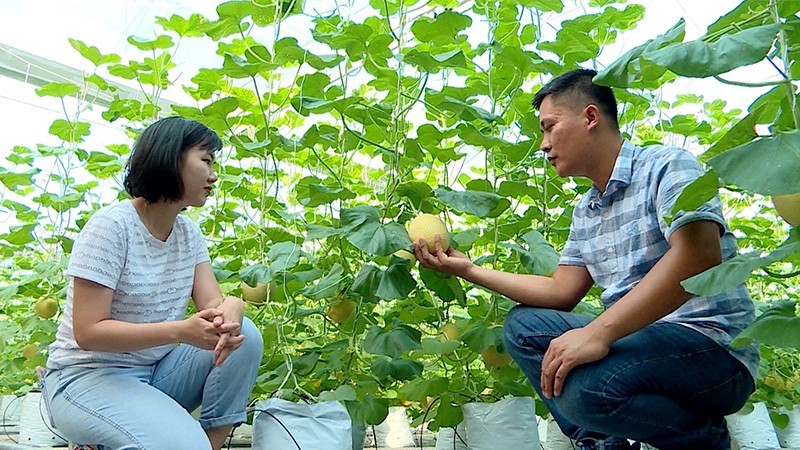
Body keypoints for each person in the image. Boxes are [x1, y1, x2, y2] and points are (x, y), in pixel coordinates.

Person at [413, 69, 758, 450]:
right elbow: (562, 292)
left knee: (585, 392)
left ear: (590, 117)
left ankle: (701, 438)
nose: (544, 144)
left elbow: (699, 255)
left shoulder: (667, 165)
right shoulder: (587, 210)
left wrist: (598, 334)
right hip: (640, 342)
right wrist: (469, 270)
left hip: (712, 348)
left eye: (549, 127)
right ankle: (601, 443)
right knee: (523, 326)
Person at [42, 117, 263, 450]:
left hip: (154, 376)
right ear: (172, 157)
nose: (213, 175)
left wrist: (231, 305)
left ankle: (204, 445)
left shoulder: (189, 235)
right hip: (83, 379)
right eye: (206, 160)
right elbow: (88, 333)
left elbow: (213, 309)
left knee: (244, 336)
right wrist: (178, 330)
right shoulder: (111, 227)